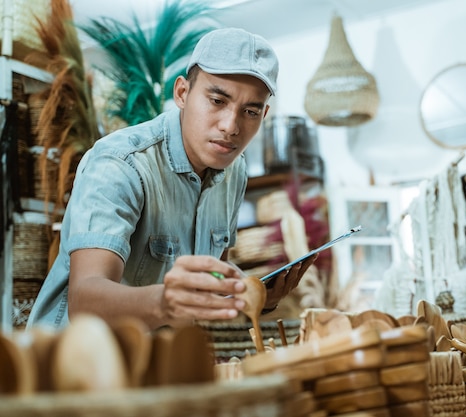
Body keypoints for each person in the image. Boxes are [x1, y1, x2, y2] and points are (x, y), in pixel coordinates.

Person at [27, 27, 316, 330]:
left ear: (264, 114)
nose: (231, 126)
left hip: (154, 363)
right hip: (74, 365)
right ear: (182, 93)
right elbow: (85, 301)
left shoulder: (234, 171)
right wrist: (165, 302)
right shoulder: (121, 163)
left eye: (250, 111)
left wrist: (253, 292)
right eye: (218, 101)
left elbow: (213, 272)